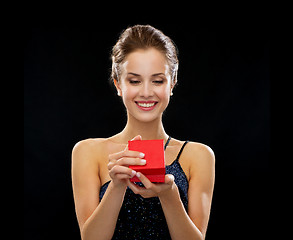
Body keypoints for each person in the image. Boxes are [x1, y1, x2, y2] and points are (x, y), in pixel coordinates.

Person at [72, 24, 215, 240]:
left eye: (157, 81)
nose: (147, 92)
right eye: (135, 81)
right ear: (118, 84)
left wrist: (169, 196)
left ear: (172, 84)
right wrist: (117, 186)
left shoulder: (198, 155)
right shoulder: (87, 152)